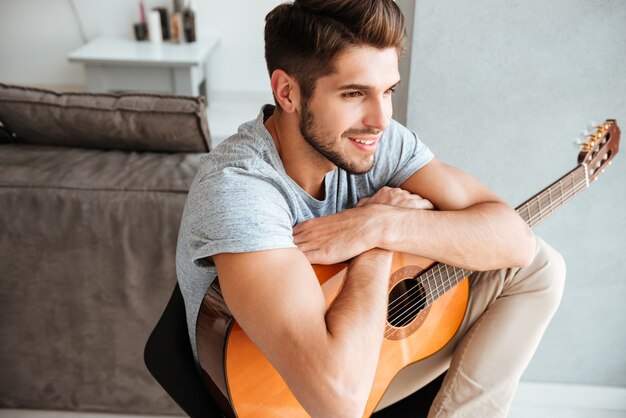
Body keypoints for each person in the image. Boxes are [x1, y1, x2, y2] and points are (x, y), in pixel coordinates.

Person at [176, 0, 566, 417]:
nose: (381, 119)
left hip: (373, 351)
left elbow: (517, 243)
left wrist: (382, 223)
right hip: (282, 394)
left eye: (388, 91)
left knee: (540, 268)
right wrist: (374, 247)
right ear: (287, 92)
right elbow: (338, 403)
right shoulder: (240, 192)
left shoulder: (373, 140)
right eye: (354, 93)